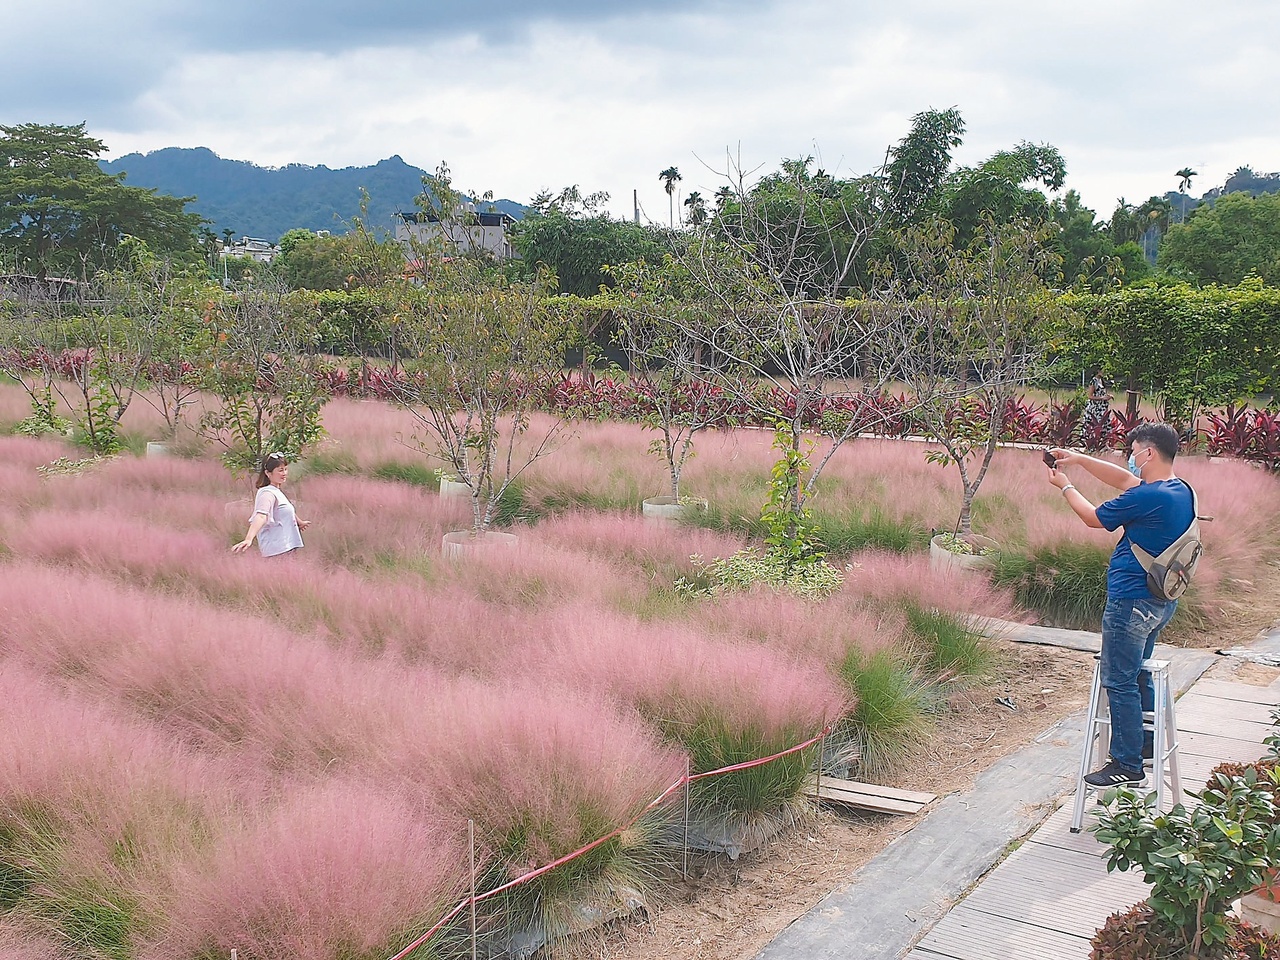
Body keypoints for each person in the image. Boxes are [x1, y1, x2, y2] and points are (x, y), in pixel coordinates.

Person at [1047, 423, 1194, 787]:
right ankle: (1144, 741)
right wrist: (1079, 460)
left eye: (1133, 451)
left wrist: (1065, 485)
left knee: (1119, 680)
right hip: (1160, 600)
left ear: (1148, 454)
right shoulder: (1179, 490)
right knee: (1138, 671)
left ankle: (1126, 764)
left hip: (1130, 603)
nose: (1130, 458)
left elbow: (1094, 519)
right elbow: (1126, 481)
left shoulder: (1147, 498)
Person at [231, 452, 311, 557]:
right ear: (268, 473)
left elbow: (284, 509)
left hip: (287, 548)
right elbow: (261, 515)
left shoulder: (276, 491)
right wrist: (248, 539)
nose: (284, 473)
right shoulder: (267, 493)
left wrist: (299, 522)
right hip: (277, 551)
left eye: (285, 469)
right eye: (280, 470)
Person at [1082, 371, 1111, 439]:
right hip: (1095, 408)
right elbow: (1090, 396)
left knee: (1104, 424)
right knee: (1094, 425)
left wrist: (1107, 397)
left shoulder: (1101, 380)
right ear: (1098, 371)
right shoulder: (1093, 381)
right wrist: (1102, 398)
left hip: (1102, 407)